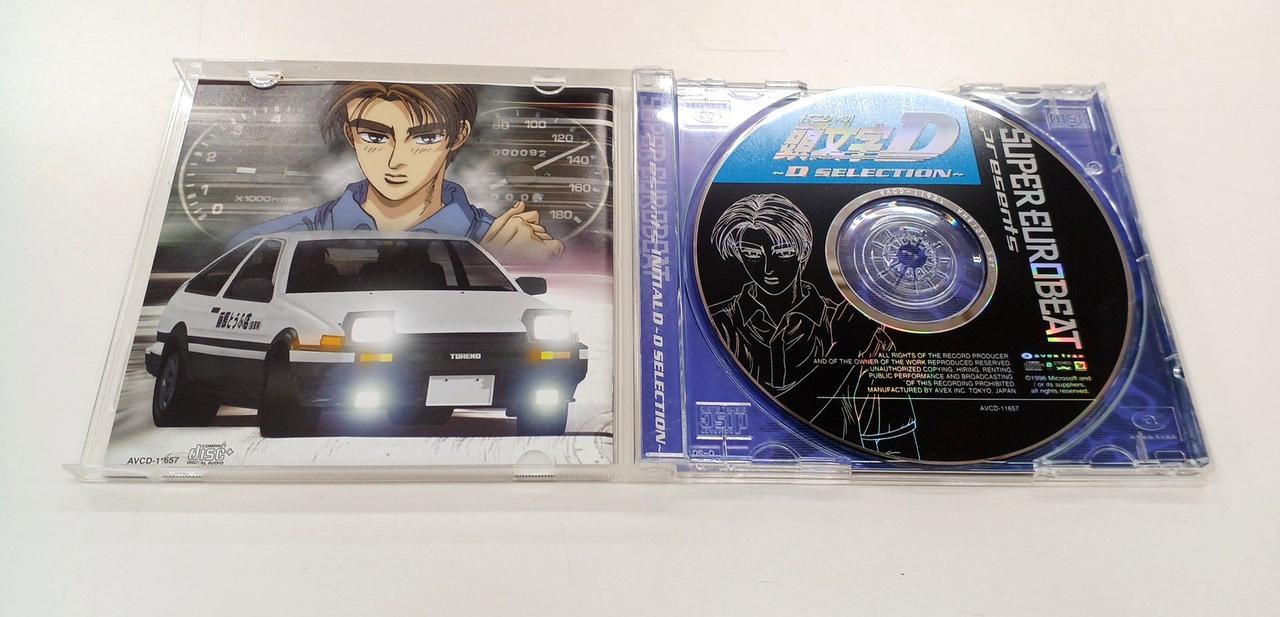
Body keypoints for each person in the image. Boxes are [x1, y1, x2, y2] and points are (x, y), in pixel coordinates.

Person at [229, 82, 563, 263]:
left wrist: (515, 262)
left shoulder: (508, 243)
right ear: (351, 135)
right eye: (375, 137)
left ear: (458, 135)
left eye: (425, 138)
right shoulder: (267, 245)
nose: (395, 161)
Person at [708, 193, 848, 393]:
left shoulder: (838, 322)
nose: (768, 269)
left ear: (803, 251)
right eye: (752, 254)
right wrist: (846, 347)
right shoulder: (717, 323)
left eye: (783, 253)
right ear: (739, 254)